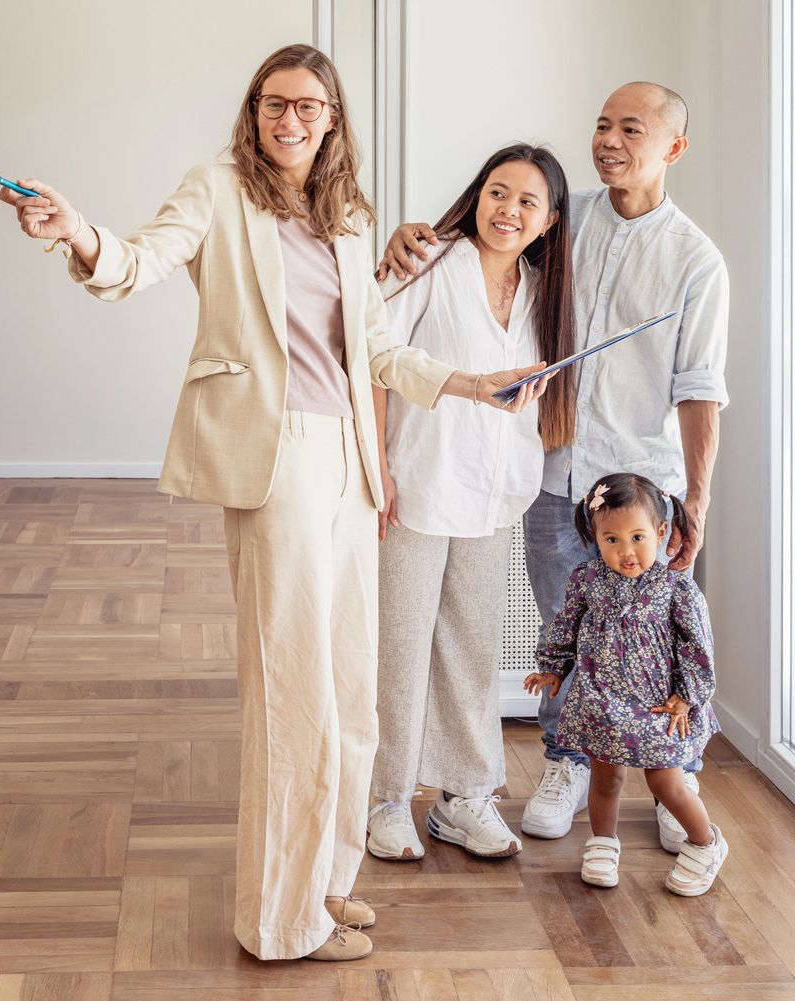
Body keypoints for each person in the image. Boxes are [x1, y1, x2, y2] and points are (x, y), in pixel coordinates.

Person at [0, 44, 550, 963]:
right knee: (293, 691)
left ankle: (326, 885)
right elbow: (136, 260)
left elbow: (377, 352)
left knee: (352, 693)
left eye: (306, 106)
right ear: (254, 112)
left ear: (333, 118)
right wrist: (75, 232)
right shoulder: (217, 187)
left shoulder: (345, 213)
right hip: (275, 453)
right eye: (271, 103)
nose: (287, 120)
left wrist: (467, 382)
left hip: (351, 459)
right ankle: (279, 920)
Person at [377, 81, 729, 850]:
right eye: (601, 124)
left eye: (630, 128)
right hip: (546, 480)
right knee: (560, 634)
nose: (609, 139)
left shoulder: (691, 260)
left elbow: (702, 389)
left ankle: (676, 777)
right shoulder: (558, 235)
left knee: (656, 636)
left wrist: (695, 498)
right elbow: (408, 312)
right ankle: (557, 761)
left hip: (633, 492)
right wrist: (410, 237)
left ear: (673, 147)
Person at [366, 144, 575, 862]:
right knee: (399, 647)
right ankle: (386, 796)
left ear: (549, 221)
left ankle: (464, 795)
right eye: (497, 192)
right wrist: (377, 466)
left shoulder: (545, 290)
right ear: (476, 195)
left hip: (494, 493)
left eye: (526, 201)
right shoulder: (429, 260)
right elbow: (372, 353)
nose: (507, 210)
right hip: (417, 484)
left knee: (472, 649)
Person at [525, 473, 727, 896]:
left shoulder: (674, 589)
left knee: (665, 782)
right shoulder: (588, 579)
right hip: (603, 701)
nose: (626, 551)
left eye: (637, 537)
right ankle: (602, 843)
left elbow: (697, 647)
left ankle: (707, 842)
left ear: (659, 532)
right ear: (594, 537)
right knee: (605, 778)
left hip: (657, 704)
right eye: (611, 540)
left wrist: (686, 697)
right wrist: (554, 668)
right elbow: (566, 626)